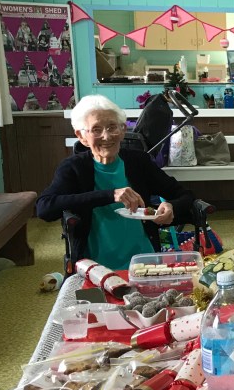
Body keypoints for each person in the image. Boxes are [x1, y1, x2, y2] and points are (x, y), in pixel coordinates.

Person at [36, 94, 195, 270]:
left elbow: (185, 195)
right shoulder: (74, 168)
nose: (106, 136)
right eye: (96, 130)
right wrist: (110, 195)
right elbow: (44, 208)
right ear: (81, 136)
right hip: (94, 267)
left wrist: (171, 206)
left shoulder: (138, 161)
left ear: (122, 130)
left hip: (144, 262)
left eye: (112, 127)